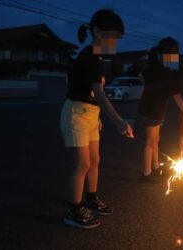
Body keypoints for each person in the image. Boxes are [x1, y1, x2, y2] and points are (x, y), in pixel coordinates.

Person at [60, 9, 134, 229]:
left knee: (95, 160)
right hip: (76, 113)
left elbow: (95, 93)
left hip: (90, 114)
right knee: (82, 164)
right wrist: (119, 120)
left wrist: (99, 116)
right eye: (112, 37)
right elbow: (99, 93)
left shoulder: (98, 57)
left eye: (117, 39)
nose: (114, 43)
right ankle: (73, 209)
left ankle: (91, 198)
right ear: (97, 32)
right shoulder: (89, 56)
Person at [138, 38, 183, 181]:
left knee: (155, 139)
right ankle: (146, 173)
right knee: (150, 140)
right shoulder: (163, 72)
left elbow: (142, 76)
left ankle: (155, 167)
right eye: (174, 54)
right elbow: (176, 94)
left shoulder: (156, 69)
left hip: (155, 109)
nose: (175, 58)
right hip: (151, 110)